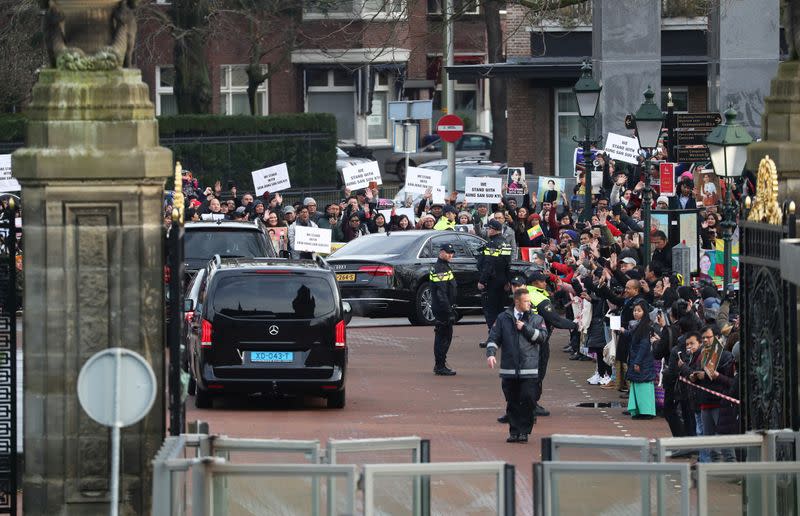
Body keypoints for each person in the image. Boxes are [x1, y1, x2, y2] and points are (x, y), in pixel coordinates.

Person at [486, 288, 549, 443]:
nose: (529, 303)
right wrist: (491, 354)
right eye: (526, 301)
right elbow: (494, 338)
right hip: (509, 367)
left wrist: (525, 328)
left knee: (527, 399)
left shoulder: (536, 318)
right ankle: (514, 432)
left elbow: (542, 337)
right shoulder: (503, 318)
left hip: (529, 367)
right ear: (517, 302)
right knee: (512, 401)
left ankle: (524, 431)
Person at [526, 270, 578, 417]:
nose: (545, 283)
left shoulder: (525, 293)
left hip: (526, 339)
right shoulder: (538, 297)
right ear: (535, 283)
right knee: (538, 374)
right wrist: (574, 325)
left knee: (527, 373)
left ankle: (526, 403)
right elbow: (555, 320)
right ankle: (532, 404)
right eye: (543, 281)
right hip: (539, 341)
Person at [477, 219, 512, 341]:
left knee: (490, 311)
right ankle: (501, 336)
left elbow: (489, 264)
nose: (487, 230)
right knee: (500, 310)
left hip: (492, 281)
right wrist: (508, 280)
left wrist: (482, 280)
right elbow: (508, 264)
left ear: (494, 230)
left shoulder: (492, 244)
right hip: (502, 281)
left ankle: (493, 338)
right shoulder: (505, 243)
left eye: (489, 228)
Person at [430, 243, 458, 376]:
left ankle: (440, 364)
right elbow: (441, 293)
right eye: (448, 252)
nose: (450, 255)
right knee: (444, 338)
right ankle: (440, 365)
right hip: (442, 309)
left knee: (444, 336)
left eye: (452, 253)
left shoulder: (443, 266)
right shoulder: (440, 268)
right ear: (440, 252)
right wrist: (448, 311)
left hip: (443, 308)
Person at [626, 299, 657, 419]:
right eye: (634, 310)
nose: (636, 313)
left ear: (645, 312)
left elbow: (644, 346)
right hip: (637, 360)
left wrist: (637, 362)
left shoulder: (645, 327)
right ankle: (639, 410)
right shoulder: (638, 325)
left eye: (639, 310)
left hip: (642, 361)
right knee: (637, 385)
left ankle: (647, 412)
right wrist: (623, 332)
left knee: (643, 386)